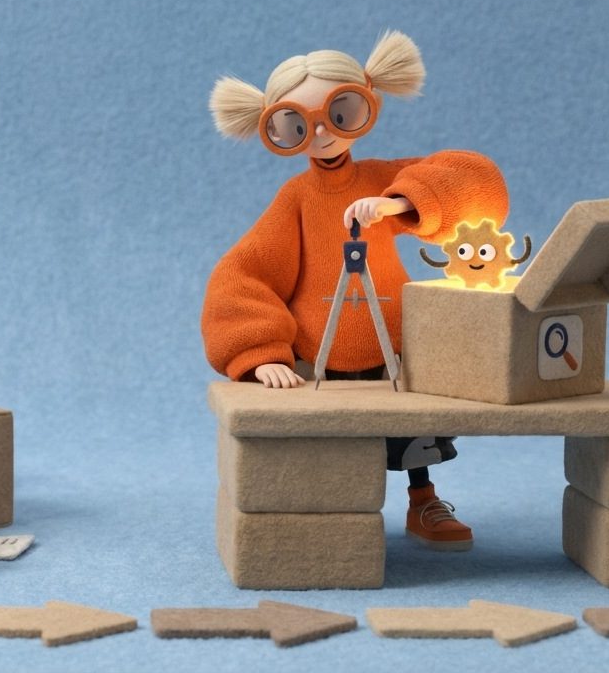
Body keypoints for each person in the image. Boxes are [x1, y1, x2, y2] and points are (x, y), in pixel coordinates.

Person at [202, 32, 509, 551]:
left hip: (394, 347)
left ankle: (423, 499)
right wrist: (259, 352)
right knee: (327, 447)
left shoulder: (381, 178)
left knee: (412, 432)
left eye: (340, 113)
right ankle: (325, 513)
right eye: (297, 126)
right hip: (319, 358)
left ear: (367, 104)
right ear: (278, 131)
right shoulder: (296, 197)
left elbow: (476, 178)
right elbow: (242, 272)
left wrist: (399, 203)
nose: (322, 133)